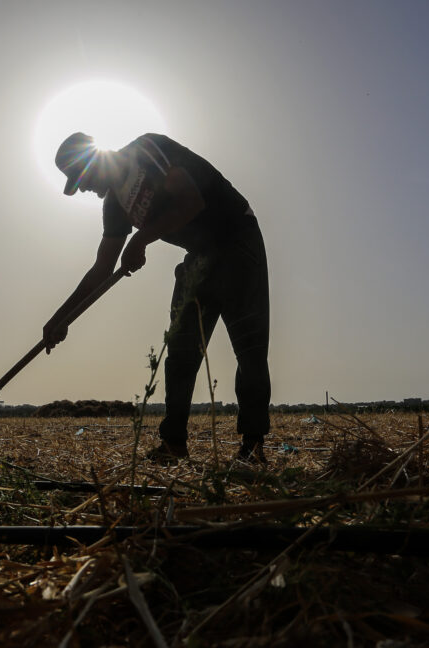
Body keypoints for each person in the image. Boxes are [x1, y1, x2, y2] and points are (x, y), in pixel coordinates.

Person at [44, 132, 270, 464]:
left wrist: (141, 241)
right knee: (180, 350)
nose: (86, 189)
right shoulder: (115, 207)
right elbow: (102, 268)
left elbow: (191, 200)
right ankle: (174, 443)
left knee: (249, 348)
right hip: (200, 256)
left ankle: (253, 446)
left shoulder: (147, 150)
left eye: (83, 179)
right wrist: (61, 318)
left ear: (94, 161)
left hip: (237, 239)